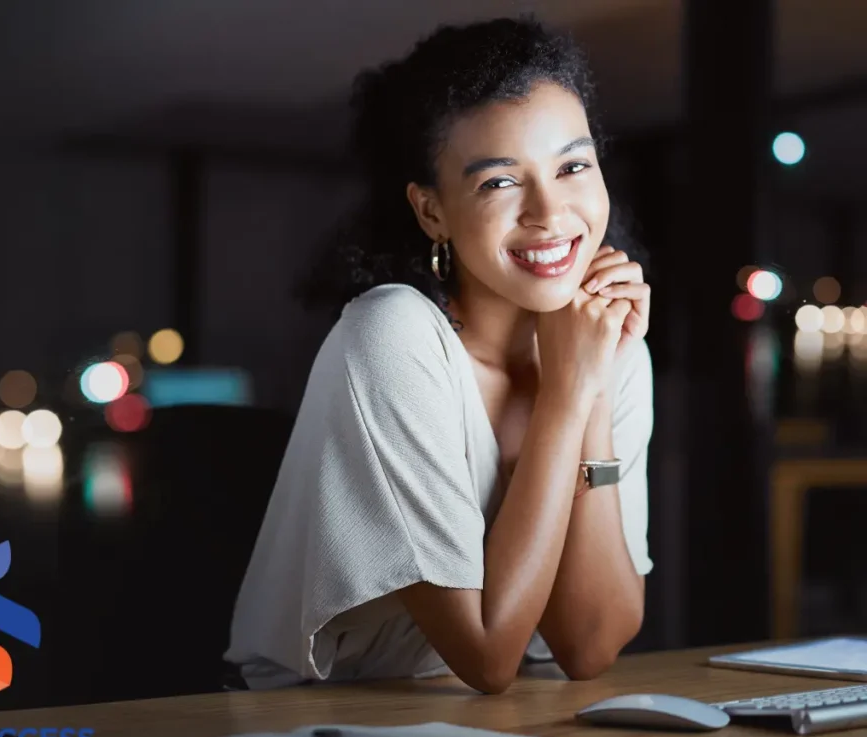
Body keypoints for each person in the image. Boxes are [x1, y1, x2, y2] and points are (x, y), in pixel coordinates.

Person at [224, 15, 653, 694]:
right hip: (321, 727)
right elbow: (487, 658)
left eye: (573, 165)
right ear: (431, 212)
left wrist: (593, 387)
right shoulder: (391, 335)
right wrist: (567, 398)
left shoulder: (611, 350)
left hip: (500, 729)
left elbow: (590, 645)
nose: (548, 210)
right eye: (498, 183)